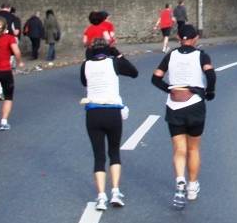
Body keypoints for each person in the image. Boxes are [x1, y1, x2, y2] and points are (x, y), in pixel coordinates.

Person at [151, 23, 216, 209]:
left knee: (179, 149)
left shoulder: (170, 56)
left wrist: (170, 90)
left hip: (174, 106)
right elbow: (210, 75)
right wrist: (209, 92)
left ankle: (180, 180)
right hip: (195, 105)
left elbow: (155, 78)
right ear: (196, 39)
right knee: (193, 149)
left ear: (178, 38)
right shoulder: (201, 55)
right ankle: (192, 186)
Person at [80, 37, 138, 210]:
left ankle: (100, 197)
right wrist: (118, 55)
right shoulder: (114, 63)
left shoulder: (86, 65)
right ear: (108, 49)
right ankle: (115, 192)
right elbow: (134, 72)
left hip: (93, 113)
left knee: (99, 156)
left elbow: (84, 82)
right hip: (112, 111)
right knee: (114, 152)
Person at [0, 16, 25, 131]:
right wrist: (20, 62)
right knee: (8, 97)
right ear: (6, 27)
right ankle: (3, 122)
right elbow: (16, 51)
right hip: (5, 71)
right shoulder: (9, 38)